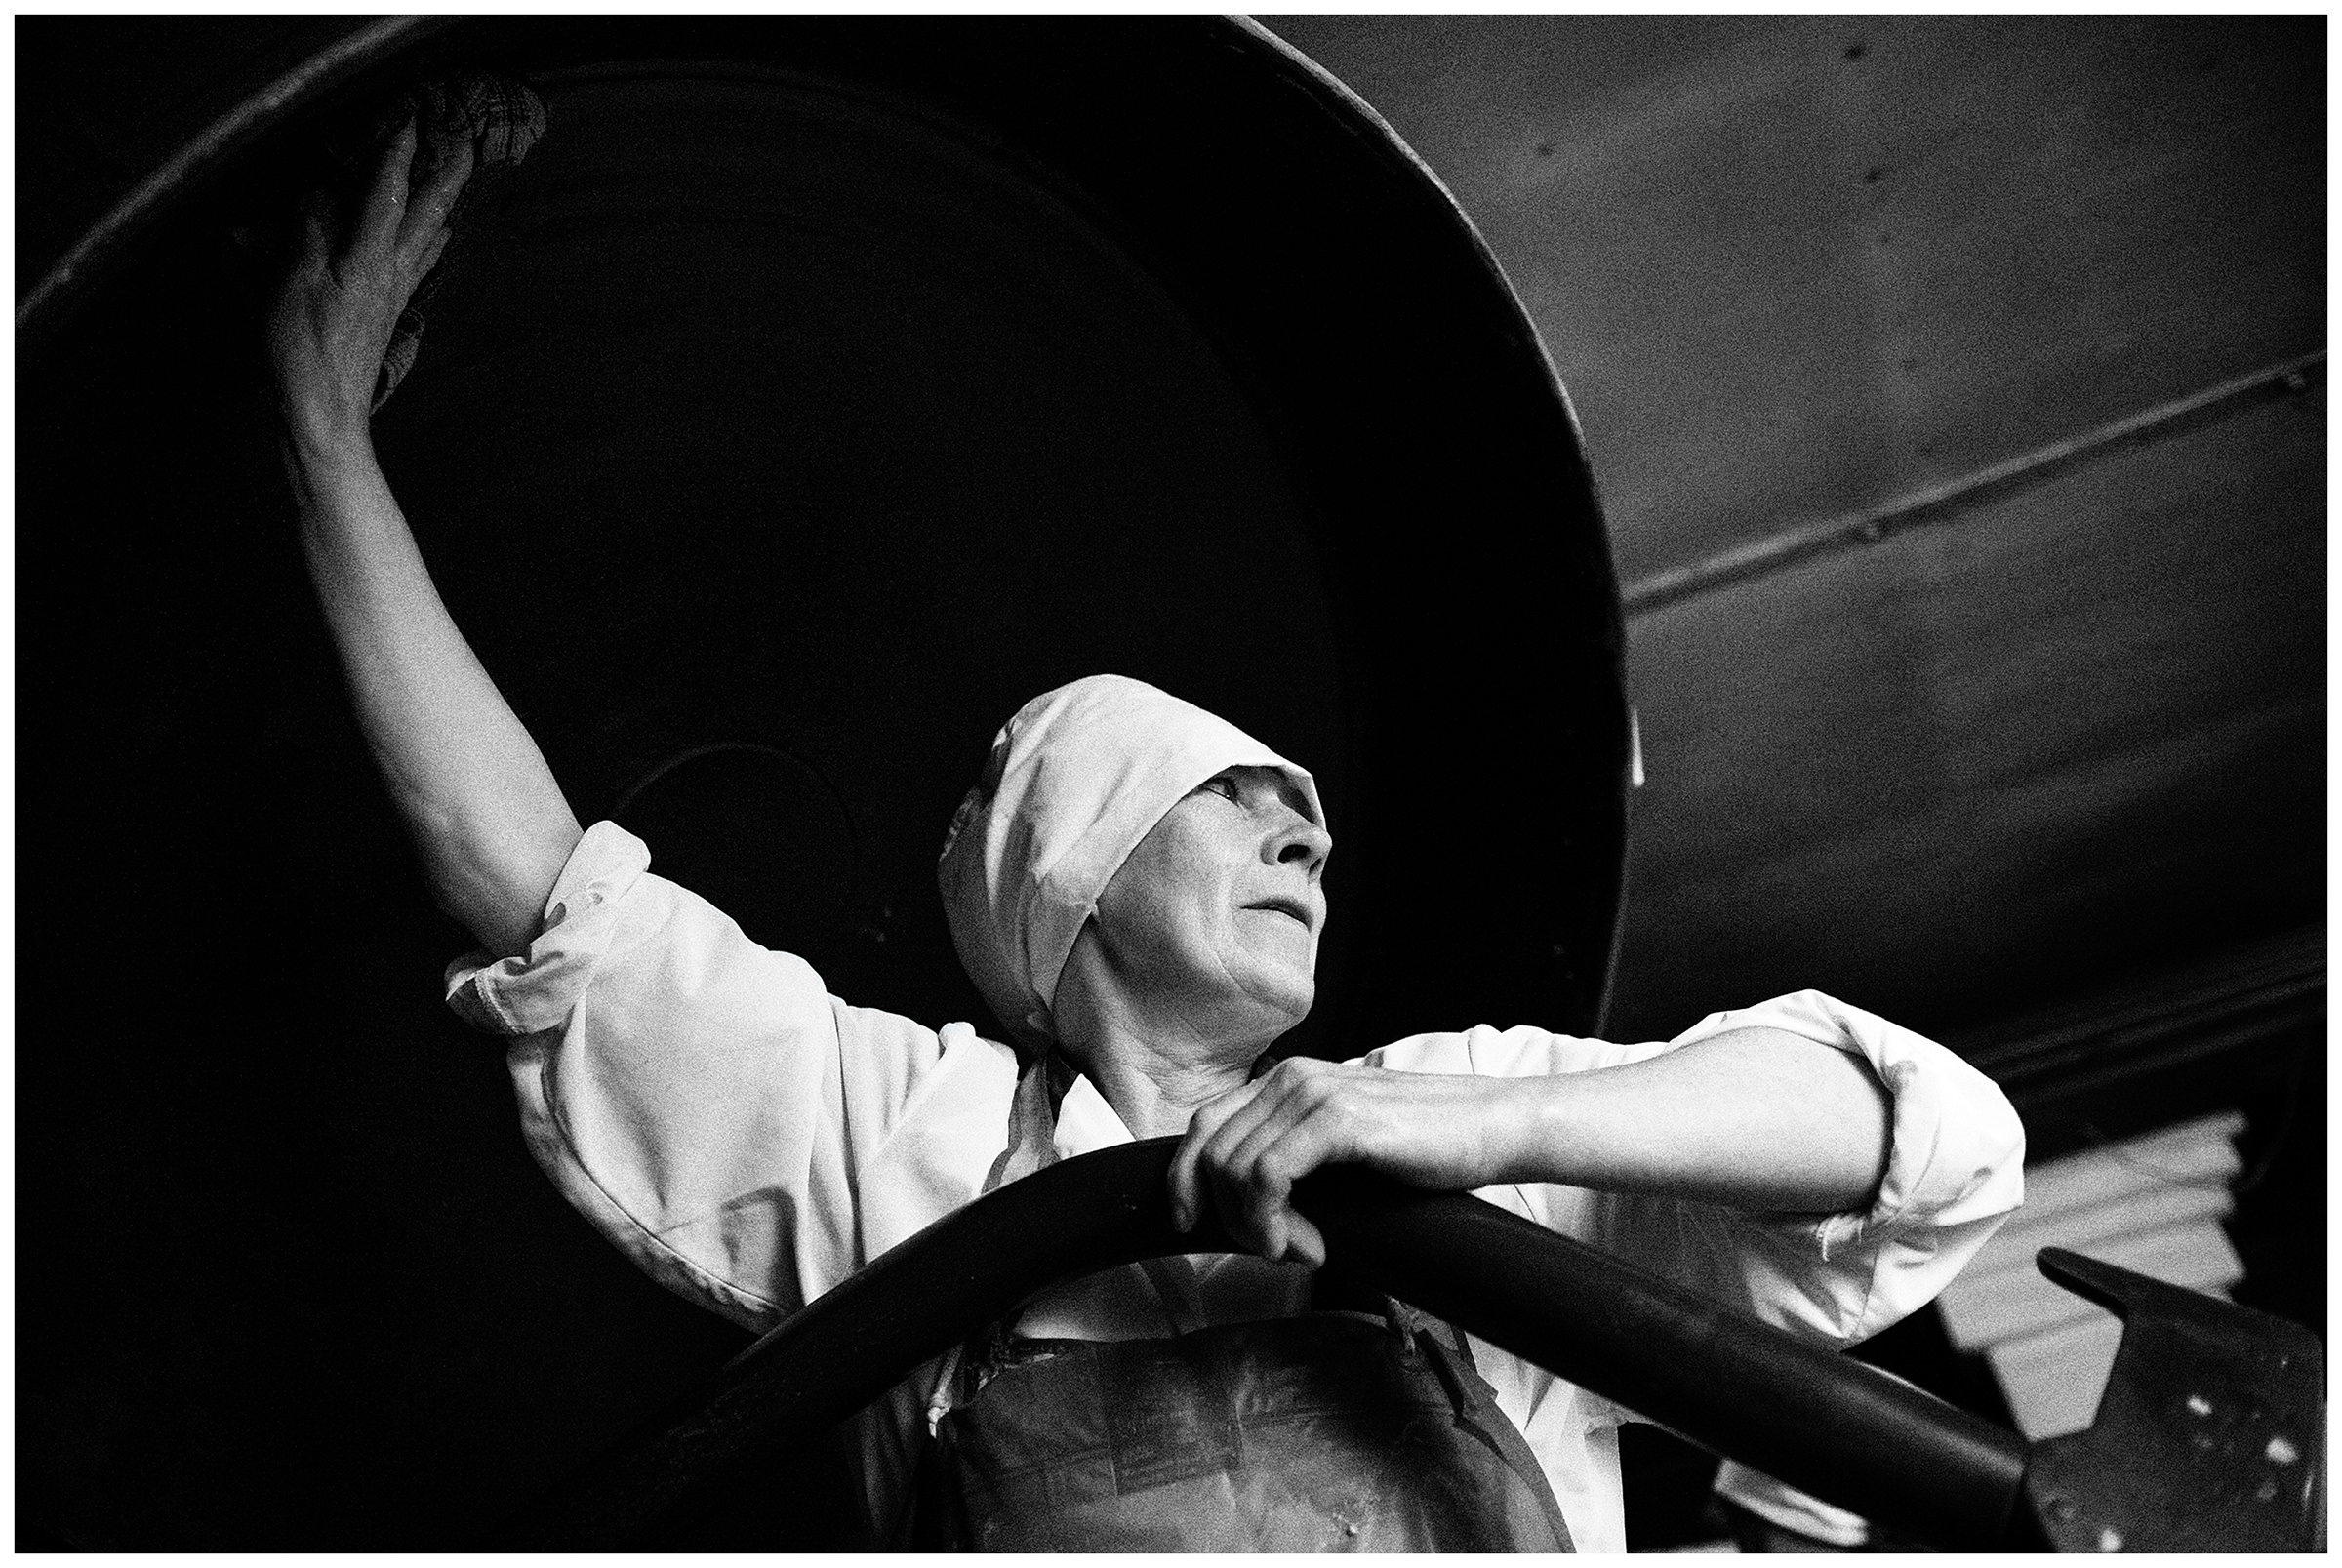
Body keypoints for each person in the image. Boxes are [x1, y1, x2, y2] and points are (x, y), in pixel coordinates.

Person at [270, 124, 2025, 1552]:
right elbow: (528, 880)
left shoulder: (1463, 1121)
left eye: (1305, 813)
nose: (1305, 833)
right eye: (1230, 791)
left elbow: (1930, 1141)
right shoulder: (907, 1150)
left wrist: (1485, 1126)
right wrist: (320, 429)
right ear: (1070, 875)